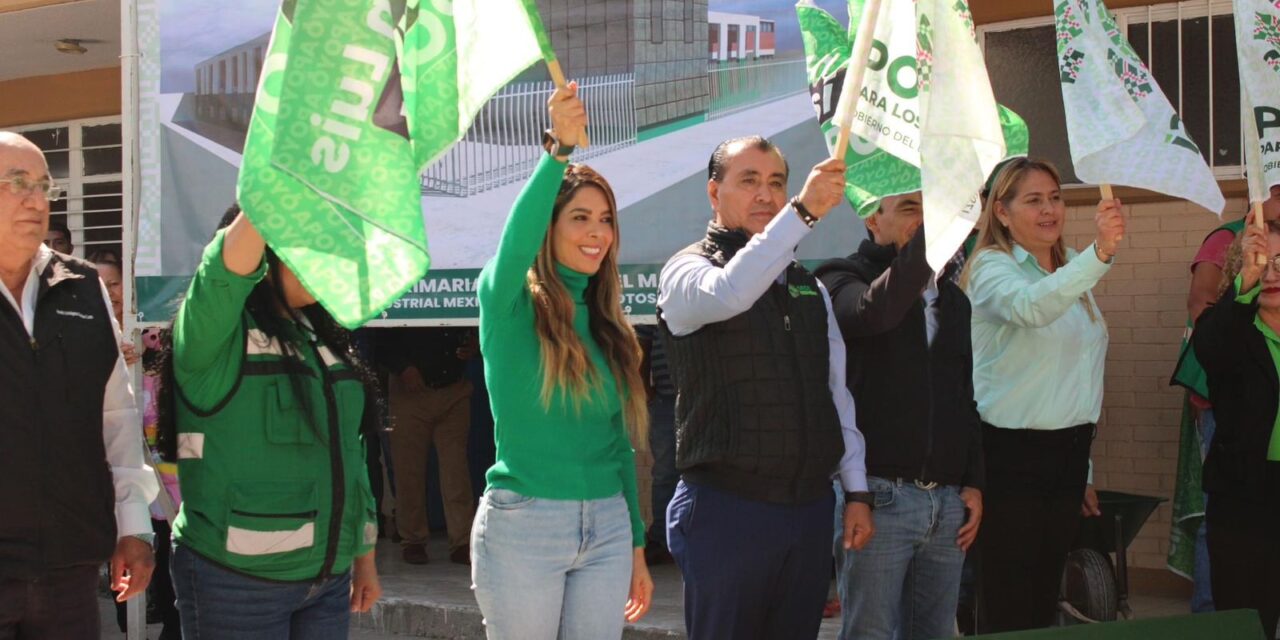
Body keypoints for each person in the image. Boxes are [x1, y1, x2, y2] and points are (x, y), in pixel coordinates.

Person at [657, 136, 872, 640]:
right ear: (714, 193)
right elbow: (730, 291)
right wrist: (803, 213)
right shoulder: (687, 270)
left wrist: (856, 489)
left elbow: (835, 392)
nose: (766, 195)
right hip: (727, 508)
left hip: (808, 511)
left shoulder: (808, 286)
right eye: (748, 181)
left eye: (777, 183)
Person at [472, 82, 653, 639]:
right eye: (580, 217)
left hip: (606, 526)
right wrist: (558, 153)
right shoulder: (507, 305)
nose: (597, 232)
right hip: (524, 524)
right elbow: (514, 242)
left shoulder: (608, 325)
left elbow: (615, 444)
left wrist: (638, 547)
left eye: (605, 219)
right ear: (548, 228)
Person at [159, 204, 382, 638]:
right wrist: (273, 191)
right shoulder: (213, 335)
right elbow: (223, 272)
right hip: (234, 583)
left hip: (327, 583)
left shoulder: (322, 340)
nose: (325, 260)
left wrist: (364, 558)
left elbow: (352, 458)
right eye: (308, 247)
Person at [0, 131, 158, 636]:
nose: (36, 199)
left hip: (68, 570)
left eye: (45, 185)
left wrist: (133, 525)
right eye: (17, 182)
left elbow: (117, 416)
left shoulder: (83, 286)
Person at [960, 157, 1124, 632]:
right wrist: (1101, 254)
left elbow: (1078, 372)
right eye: (1033, 200)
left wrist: (1084, 466)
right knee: (1009, 600)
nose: (1050, 209)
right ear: (1002, 213)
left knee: (1043, 596)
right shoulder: (992, 266)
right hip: (1010, 456)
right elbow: (1030, 308)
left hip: (1067, 455)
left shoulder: (1072, 265)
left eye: (1055, 197)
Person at [815, 191, 984, 640]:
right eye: (912, 209)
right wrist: (934, 238)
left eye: (936, 210)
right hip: (875, 497)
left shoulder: (955, 302)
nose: (925, 219)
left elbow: (964, 396)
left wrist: (972, 482)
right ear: (873, 218)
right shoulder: (839, 276)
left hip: (946, 505)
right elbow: (872, 313)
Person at [1171, 183, 1280, 612]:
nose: (1272, 274)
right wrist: (1244, 287)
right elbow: (1211, 348)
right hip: (1245, 500)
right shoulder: (1232, 329)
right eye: (1261, 265)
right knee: (1245, 612)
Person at [377, 327, 477, 565]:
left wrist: (474, 344)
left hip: (454, 388)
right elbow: (378, 335)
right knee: (408, 469)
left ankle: (462, 542)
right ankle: (412, 541)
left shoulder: (457, 289)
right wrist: (402, 367)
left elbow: (477, 322)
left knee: (456, 470)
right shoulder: (398, 292)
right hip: (408, 390)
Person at [634, 324, 677, 565]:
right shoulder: (650, 289)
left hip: (703, 394)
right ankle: (662, 540)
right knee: (665, 472)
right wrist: (644, 387)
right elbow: (643, 338)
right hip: (665, 396)